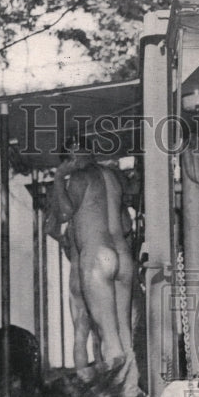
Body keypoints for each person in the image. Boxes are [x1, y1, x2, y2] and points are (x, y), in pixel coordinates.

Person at [45, 147, 135, 370]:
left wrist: (58, 179)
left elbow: (65, 213)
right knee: (125, 333)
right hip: (123, 255)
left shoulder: (79, 176)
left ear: (73, 158)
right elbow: (126, 225)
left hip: (97, 255)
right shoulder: (113, 177)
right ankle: (134, 392)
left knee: (108, 340)